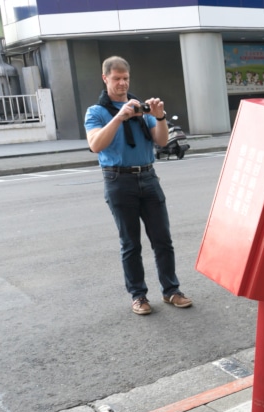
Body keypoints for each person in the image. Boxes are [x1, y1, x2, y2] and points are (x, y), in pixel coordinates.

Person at [85, 55, 192, 315]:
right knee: (130, 243)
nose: (122, 83)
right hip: (118, 180)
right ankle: (139, 296)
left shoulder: (141, 110)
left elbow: (162, 141)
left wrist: (160, 116)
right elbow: (95, 145)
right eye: (117, 78)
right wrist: (119, 117)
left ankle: (171, 291)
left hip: (148, 177)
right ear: (105, 78)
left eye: (126, 79)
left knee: (163, 240)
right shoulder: (96, 112)